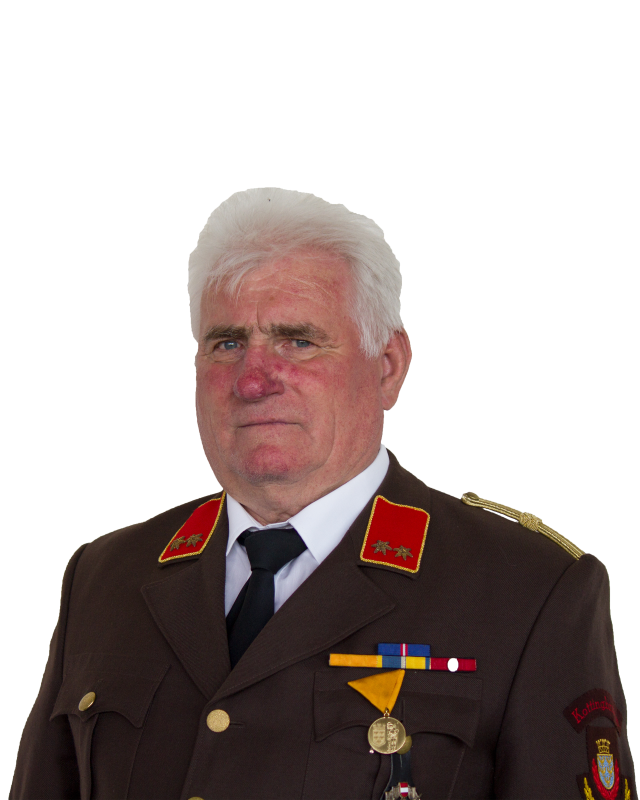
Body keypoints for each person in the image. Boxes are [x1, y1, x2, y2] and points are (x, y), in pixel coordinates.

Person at [11, 188, 634, 799]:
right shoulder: (107, 576)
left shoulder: (529, 589)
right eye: (227, 343)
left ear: (387, 365)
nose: (253, 380)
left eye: (298, 341)